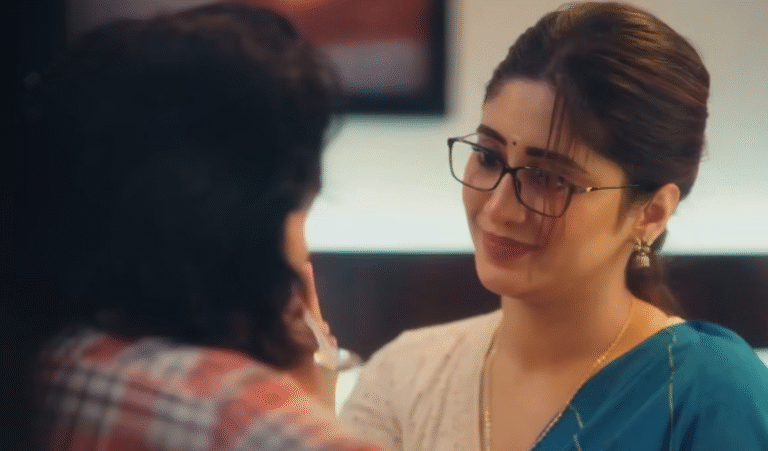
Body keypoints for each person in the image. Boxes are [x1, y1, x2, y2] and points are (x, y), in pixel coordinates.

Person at [340, 2, 768, 450]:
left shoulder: (710, 395)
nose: (499, 209)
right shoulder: (404, 379)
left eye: (549, 179)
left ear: (652, 213)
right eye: (488, 157)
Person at [17, 3, 385, 450]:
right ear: (253, 225)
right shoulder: (250, 423)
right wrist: (305, 400)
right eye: (301, 208)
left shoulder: (38, 377)